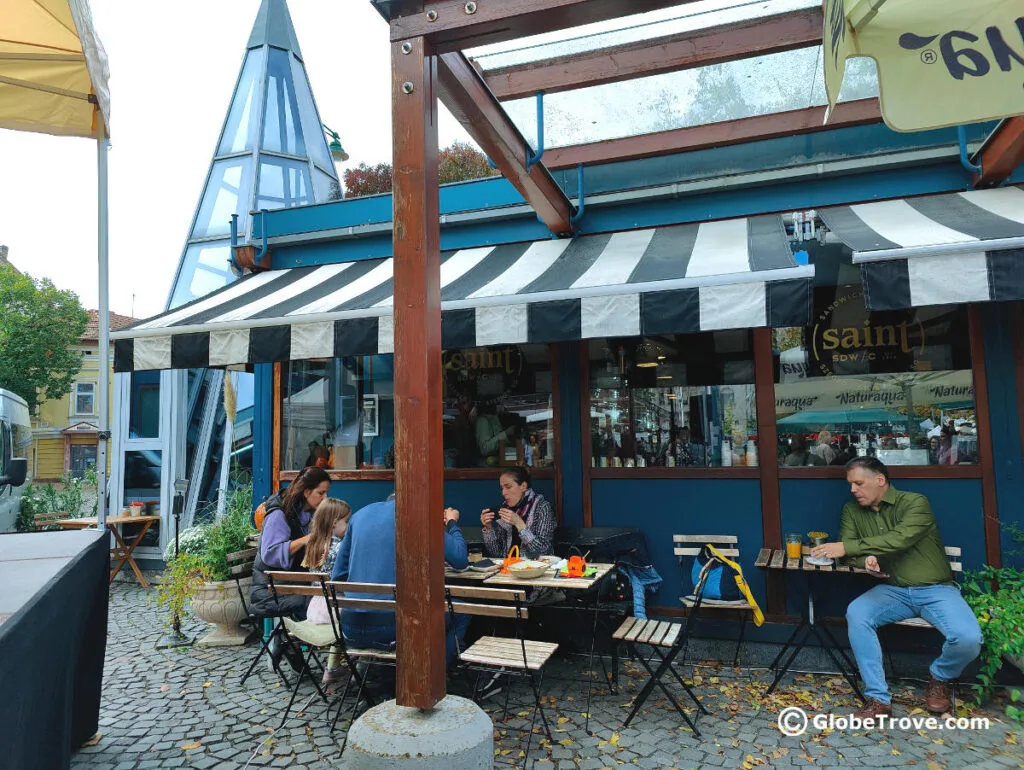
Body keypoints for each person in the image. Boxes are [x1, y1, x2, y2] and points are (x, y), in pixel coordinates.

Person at [811, 457, 982, 719]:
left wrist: (849, 548)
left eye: (858, 483)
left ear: (880, 480)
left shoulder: (915, 503)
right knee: (857, 613)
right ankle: (877, 698)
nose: (853, 490)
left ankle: (939, 677)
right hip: (892, 590)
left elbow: (899, 539)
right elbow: (848, 552)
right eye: (850, 484)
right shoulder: (852, 510)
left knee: (969, 639)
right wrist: (864, 559)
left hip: (936, 590)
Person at [331, 494, 471, 684]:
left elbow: (338, 575)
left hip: (350, 629)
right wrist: (452, 523)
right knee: (461, 610)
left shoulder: (360, 515)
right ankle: (431, 678)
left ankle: (380, 671)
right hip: (395, 630)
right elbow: (460, 559)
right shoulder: (418, 515)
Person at [249, 466, 331, 668]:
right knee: (317, 603)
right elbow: (271, 554)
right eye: (321, 493)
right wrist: (306, 539)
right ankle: (289, 640)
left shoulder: (307, 513)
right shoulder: (279, 514)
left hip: (290, 582)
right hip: (268, 588)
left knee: (327, 594)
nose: (324, 497)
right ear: (306, 492)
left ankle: (290, 641)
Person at [301, 497, 353, 686]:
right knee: (359, 610)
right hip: (335, 609)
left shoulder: (313, 545)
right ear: (333, 524)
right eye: (346, 521)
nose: (348, 526)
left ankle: (332, 667)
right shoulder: (340, 548)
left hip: (316, 608)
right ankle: (359, 664)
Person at [479, 466, 555, 560]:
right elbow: (497, 554)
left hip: (533, 569)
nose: (503, 493)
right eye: (502, 488)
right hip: (508, 568)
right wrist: (488, 528)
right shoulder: (505, 508)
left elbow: (543, 552)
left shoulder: (542, 507)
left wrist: (519, 524)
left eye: (508, 487)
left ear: (523, 486)